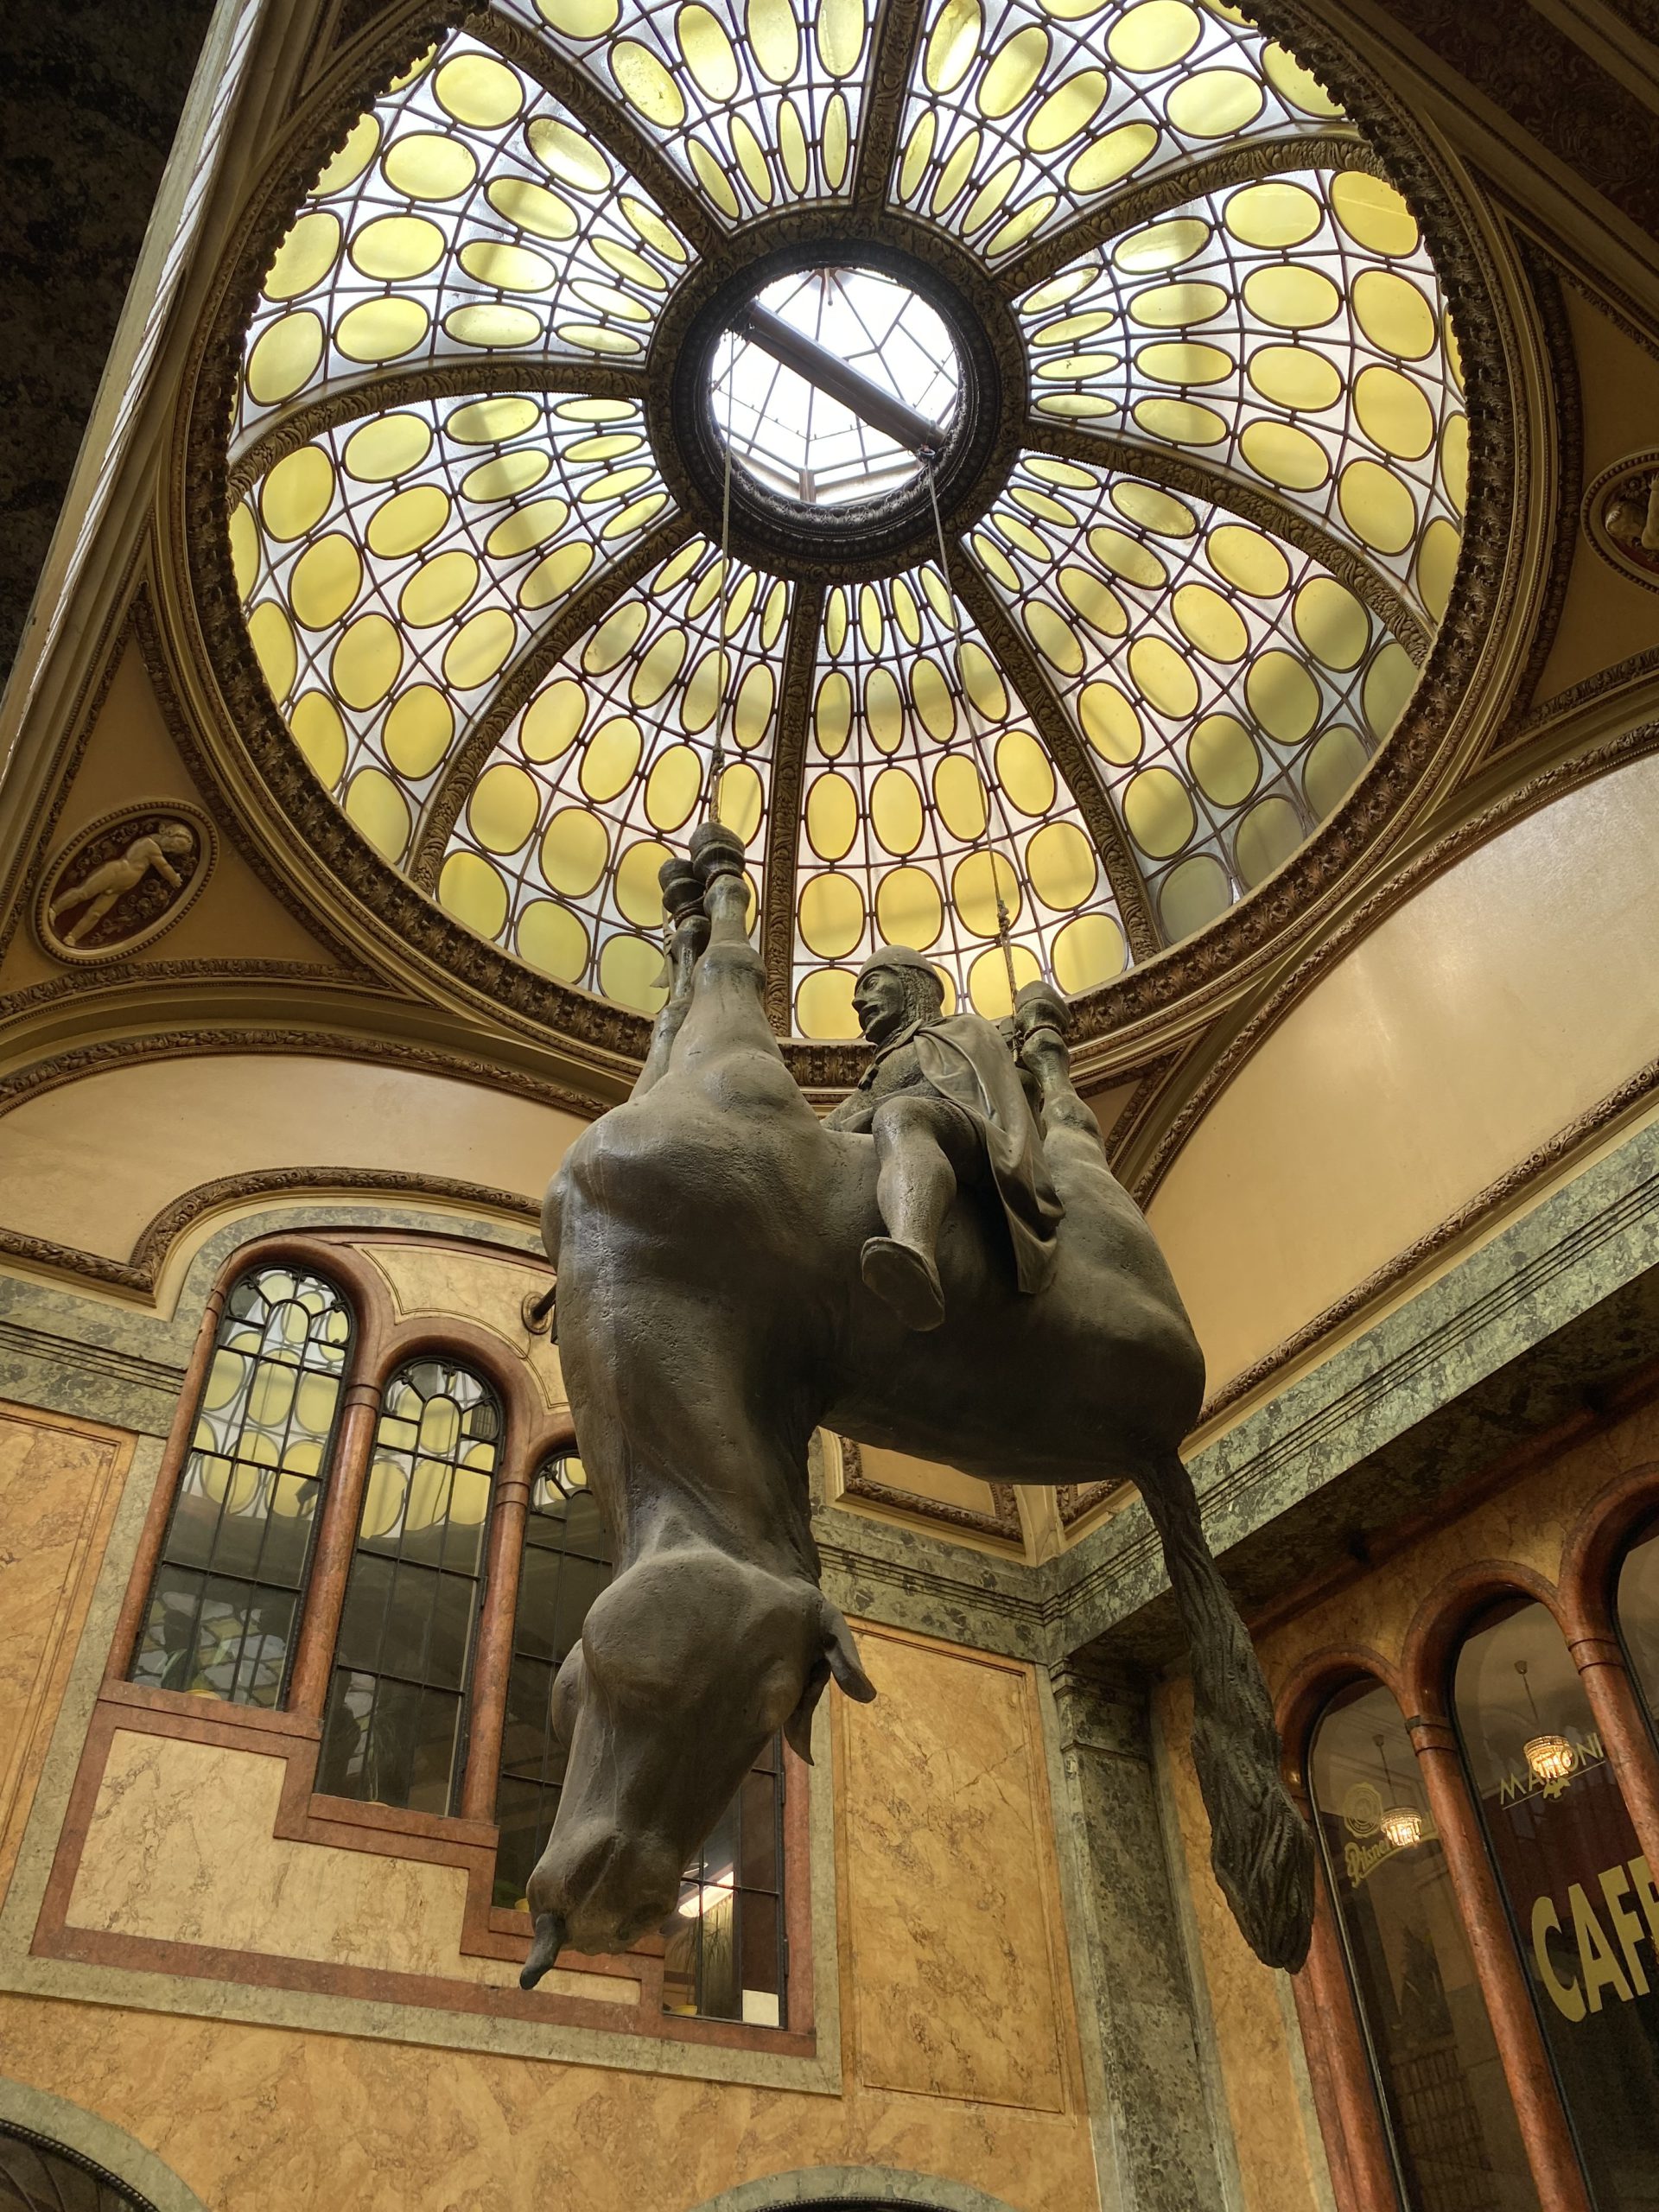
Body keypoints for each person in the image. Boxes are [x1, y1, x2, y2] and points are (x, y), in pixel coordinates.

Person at [824, 944, 1064, 1331]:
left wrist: (871, 1115)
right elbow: (829, 1129)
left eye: (871, 984)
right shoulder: (875, 1070)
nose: (857, 1001)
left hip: (973, 1138)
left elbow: (965, 1095)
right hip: (905, 1131)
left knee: (900, 1114)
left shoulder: (961, 1031)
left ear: (911, 983)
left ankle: (915, 1251)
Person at [48, 822, 194, 946]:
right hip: (113, 873)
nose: (172, 850)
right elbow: (163, 866)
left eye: (177, 851)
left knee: (96, 913)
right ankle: (55, 909)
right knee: (83, 892)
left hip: (120, 888)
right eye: (176, 845)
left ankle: (73, 937)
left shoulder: (157, 848)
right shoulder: (149, 844)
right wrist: (174, 878)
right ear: (166, 832)